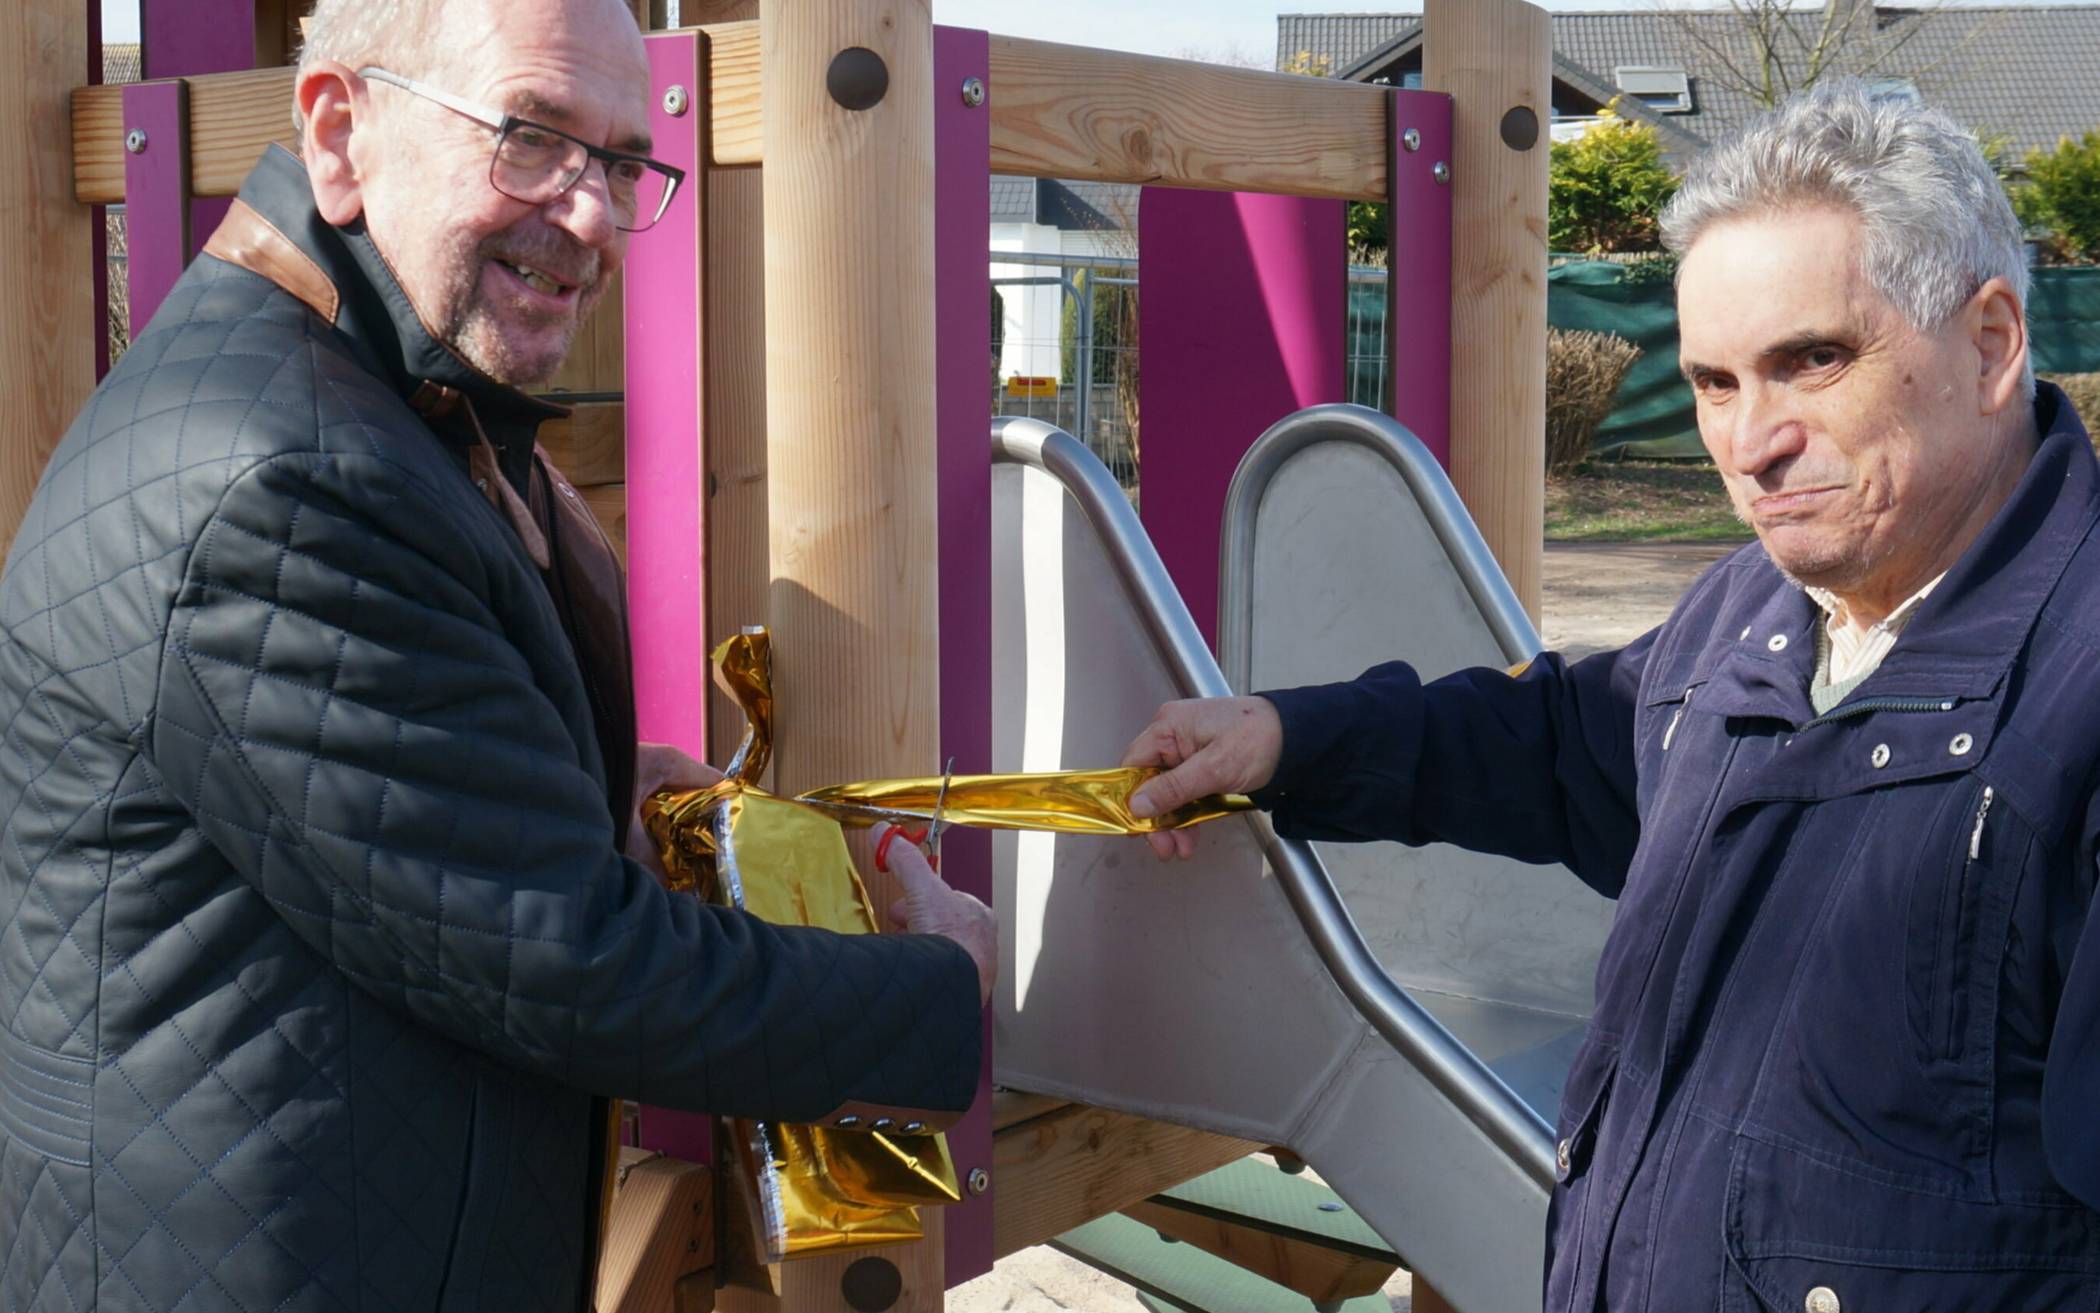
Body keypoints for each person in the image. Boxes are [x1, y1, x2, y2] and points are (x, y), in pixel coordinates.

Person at [0, 0, 994, 1307]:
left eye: (625, 160)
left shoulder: (352, 389)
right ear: (342, 134)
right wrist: (940, 988)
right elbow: (574, 965)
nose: (591, 214)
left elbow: (391, 818)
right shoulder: (289, 480)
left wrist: (567, 778)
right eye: (529, 136)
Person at [1124, 81, 2100, 1310]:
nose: (1752, 443)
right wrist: (1286, 737)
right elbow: (1564, 741)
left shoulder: (2077, 700)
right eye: (1715, 383)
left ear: (1992, 345)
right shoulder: (1753, 608)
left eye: (1812, 360)